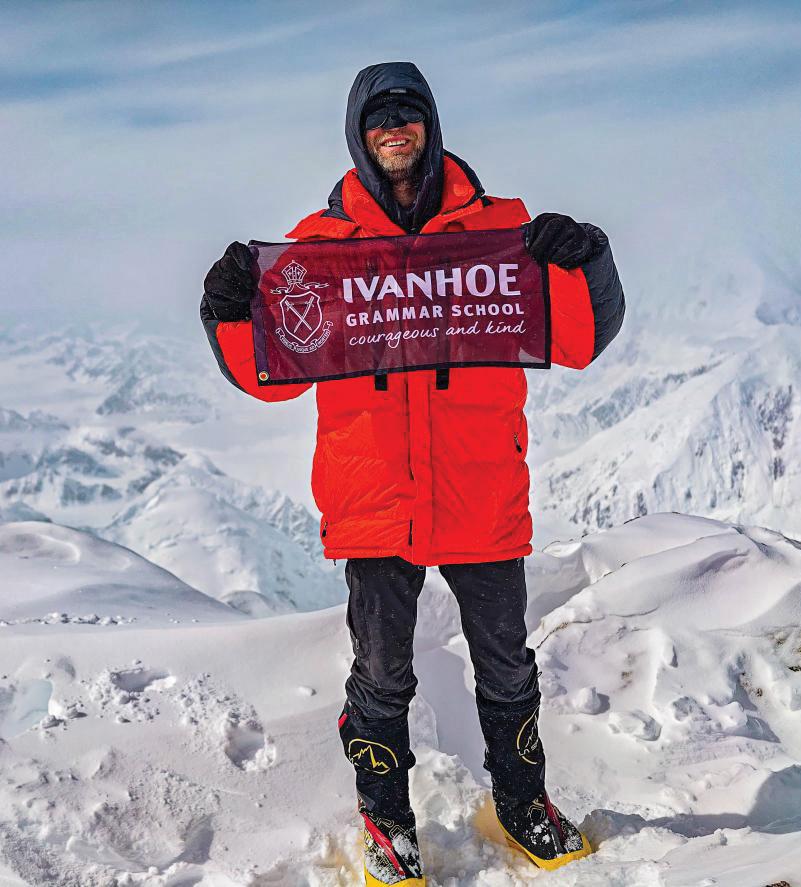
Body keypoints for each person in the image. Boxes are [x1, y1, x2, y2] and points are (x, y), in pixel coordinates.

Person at [201, 61, 624, 885]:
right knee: (381, 672)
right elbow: (268, 373)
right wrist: (225, 309)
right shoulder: (321, 251)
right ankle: (387, 823)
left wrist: (589, 261)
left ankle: (524, 804)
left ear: (431, 123)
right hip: (375, 497)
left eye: (407, 112)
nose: (393, 128)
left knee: (506, 664)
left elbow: (580, 337)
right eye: (377, 117)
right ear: (357, 136)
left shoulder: (502, 233)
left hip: (478, 488)